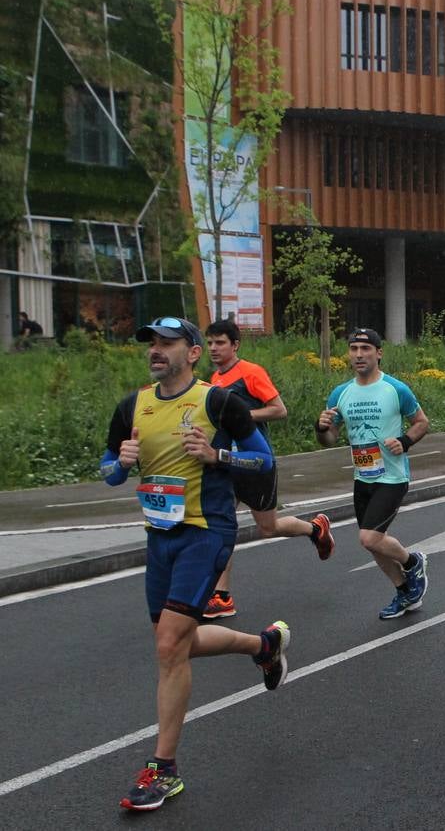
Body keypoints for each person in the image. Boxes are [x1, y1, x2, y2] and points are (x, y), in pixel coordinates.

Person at [100, 317, 290, 811]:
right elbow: (107, 471)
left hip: (206, 533)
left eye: (167, 343)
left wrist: (216, 455)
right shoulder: (132, 406)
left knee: (169, 645)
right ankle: (263, 645)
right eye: (152, 343)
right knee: (176, 644)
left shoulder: (218, 402)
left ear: (193, 352)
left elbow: (264, 461)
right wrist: (120, 464)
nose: (156, 350)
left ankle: (163, 769)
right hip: (160, 537)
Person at [202, 319, 334, 619]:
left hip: (254, 462)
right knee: (220, 525)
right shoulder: (214, 379)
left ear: (235, 345)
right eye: (209, 343)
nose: (213, 348)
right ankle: (221, 596)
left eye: (220, 342)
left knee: (267, 527)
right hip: (225, 462)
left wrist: (241, 415)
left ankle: (316, 529)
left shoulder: (250, 372)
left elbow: (279, 409)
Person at [315, 328, 430, 619]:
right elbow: (329, 439)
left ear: (378, 353)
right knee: (375, 544)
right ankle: (405, 592)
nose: (359, 355)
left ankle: (412, 562)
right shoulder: (340, 393)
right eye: (354, 349)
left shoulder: (395, 389)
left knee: (369, 538)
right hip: (363, 476)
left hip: (392, 476)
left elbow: (421, 422)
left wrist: (404, 441)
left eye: (365, 349)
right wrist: (322, 428)